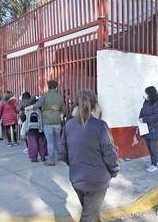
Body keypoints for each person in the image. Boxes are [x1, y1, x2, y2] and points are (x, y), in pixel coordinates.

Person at [59, 91, 119, 222]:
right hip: (97, 181)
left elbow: (62, 153)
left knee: (91, 212)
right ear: (95, 106)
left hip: (77, 179)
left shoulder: (69, 125)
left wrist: (76, 164)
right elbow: (109, 153)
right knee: (89, 216)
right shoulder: (100, 125)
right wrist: (114, 171)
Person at [26, 80, 65, 166]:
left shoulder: (44, 96)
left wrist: (27, 108)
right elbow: (64, 110)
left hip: (47, 121)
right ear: (56, 87)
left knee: (50, 141)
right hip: (57, 120)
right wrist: (60, 116)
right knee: (58, 140)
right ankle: (61, 158)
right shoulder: (60, 97)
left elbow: (37, 105)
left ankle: (51, 160)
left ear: (48, 87)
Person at [139, 86, 158, 171]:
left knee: (152, 146)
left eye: (146, 93)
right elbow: (142, 110)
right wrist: (140, 118)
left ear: (151, 93)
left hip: (153, 129)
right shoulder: (146, 102)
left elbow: (156, 116)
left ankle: (155, 164)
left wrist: (144, 119)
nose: (145, 95)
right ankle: (153, 162)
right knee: (149, 146)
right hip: (146, 128)